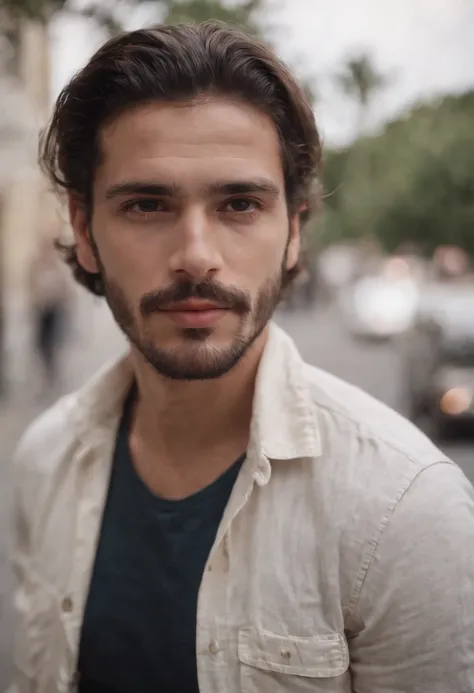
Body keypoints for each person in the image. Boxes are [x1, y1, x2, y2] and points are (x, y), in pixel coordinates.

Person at [10, 22, 474, 693]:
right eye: (146, 203)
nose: (196, 252)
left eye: (239, 203)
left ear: (293, 229)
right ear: (84, 232)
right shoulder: (43, 461)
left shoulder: (405, 514)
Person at [27, 234, 71, 395]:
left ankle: (51, 375)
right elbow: (31, 283)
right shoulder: (36, 263)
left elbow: (65, 288)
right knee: (40, 344)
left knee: (52, 343)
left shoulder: (57, 265)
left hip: (54, 309)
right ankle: (46, 371)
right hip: (41, 310)